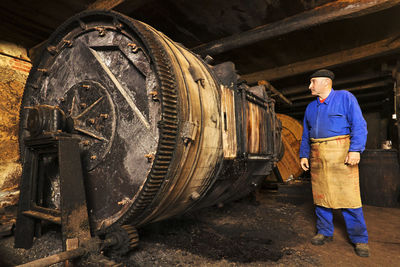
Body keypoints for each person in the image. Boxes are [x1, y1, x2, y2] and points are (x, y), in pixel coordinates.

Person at [299, 69, 369, 257]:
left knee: (349, 198)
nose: (309, 86)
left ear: (326, 82)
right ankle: (324, 232)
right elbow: (306, 133)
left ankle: (360, 239)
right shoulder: (310, 108)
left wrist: (355, 149)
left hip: (341, 153)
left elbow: (359, 125)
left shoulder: (345, 98)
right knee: (321, 196)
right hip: (318, 154)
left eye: (313, 82)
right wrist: (304, 155)